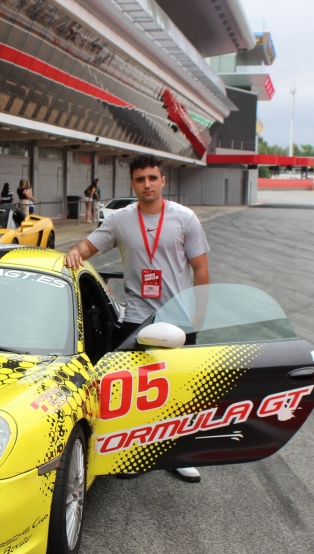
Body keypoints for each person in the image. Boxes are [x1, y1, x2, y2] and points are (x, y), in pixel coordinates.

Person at [65, 154, 210, 483]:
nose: (147, 184)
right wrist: (75, 252)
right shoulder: (119, 220)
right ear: (133, 183)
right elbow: (87, 247)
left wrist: (199, 316)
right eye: (141, 179)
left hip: (179, 316)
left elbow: (201, 270)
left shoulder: (185, 219)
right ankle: (133, 453)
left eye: (152, 178)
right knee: (135, 390)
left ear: (163, 181)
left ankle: (178, 455)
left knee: (181, 389)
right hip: (138, 316)